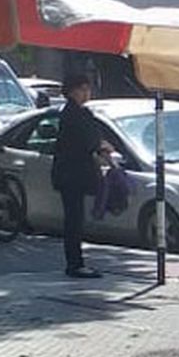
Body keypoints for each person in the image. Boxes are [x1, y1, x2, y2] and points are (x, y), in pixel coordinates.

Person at [52, 72, 107, 278]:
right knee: (74, 220)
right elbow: (89, 140)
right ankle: (75, 264)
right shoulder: (75, 114)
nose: (87, 93)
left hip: (70, 174)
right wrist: (101, 145)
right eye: (83, 89)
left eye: (88, 89)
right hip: (72, 175)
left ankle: (75, 262)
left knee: (74, 218)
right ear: (73, 91)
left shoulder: (73, 113)